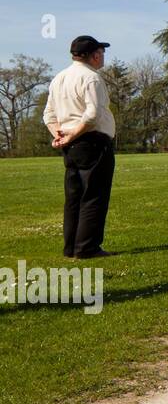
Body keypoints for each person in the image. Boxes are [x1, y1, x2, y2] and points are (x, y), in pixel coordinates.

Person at [43, 35, 117, 259]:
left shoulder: (59, 78)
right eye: (101, 52)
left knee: (74, 197)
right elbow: (92, 114)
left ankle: (71, 248)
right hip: (92, 141)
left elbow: (49, 114)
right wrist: (74, 133)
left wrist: (61, 135)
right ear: (94, 55)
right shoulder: (91, 78)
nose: (103, 56)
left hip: (72, 145)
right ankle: (87, 248)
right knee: (94, 195)